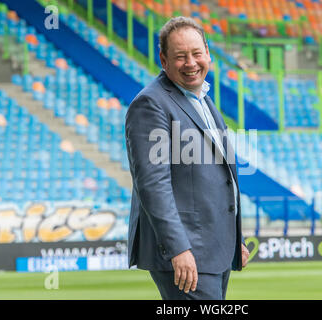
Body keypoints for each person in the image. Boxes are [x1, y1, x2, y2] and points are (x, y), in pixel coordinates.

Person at [125, 16, 249, 300]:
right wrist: (178, 248)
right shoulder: (151, 103)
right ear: (163, 60)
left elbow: (220, 178)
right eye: (180, 56)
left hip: (212, 249)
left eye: (196, 54)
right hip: (186, 253)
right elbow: (153, 184)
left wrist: (232, 239)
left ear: (208, 53)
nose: (191, 63)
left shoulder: (203, 99)